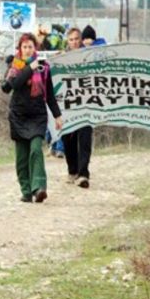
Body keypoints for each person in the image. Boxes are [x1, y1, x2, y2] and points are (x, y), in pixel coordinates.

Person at [5, 32, 63, 203]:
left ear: (35, 48)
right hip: (18, 115)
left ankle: (39, 188)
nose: (28, 50)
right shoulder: (13, 66)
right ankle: (26, 190)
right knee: (22, 157)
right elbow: (13, 85)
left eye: (31, 47)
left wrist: (57, 116)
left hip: (37, 115)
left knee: (36, 150)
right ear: (20, 49)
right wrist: (29, 68)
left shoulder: (44, 68)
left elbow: (50, 95)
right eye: (25, 47)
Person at [61, 27, 94, 188]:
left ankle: (83, 173)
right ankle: (72, 170)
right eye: (71, 40)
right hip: (68, 105)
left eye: (76, 39)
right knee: (68, 138)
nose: (74, 42)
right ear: (68, 42)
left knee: (85, 138)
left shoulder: (88, 57)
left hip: (86, 104)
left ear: (80, 40)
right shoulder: (62, 57)